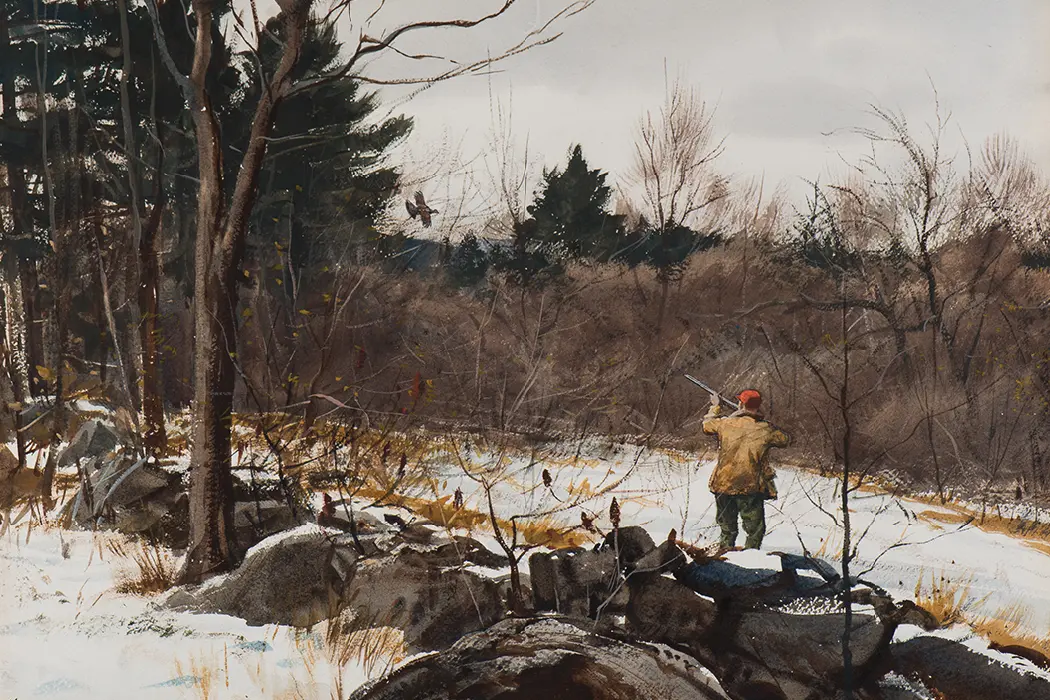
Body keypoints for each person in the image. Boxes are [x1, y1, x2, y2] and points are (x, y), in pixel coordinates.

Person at [702, 388, 790, 551]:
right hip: (750, 487)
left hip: (723, 484)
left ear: (740, 403)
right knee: (754, 530)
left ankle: (723, 557)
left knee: (727, 529)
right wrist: (761, 419)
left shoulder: (725, 423)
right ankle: (750, 560)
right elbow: (785, 440)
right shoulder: (765, 429)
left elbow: (707, 425)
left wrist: (715, 407)